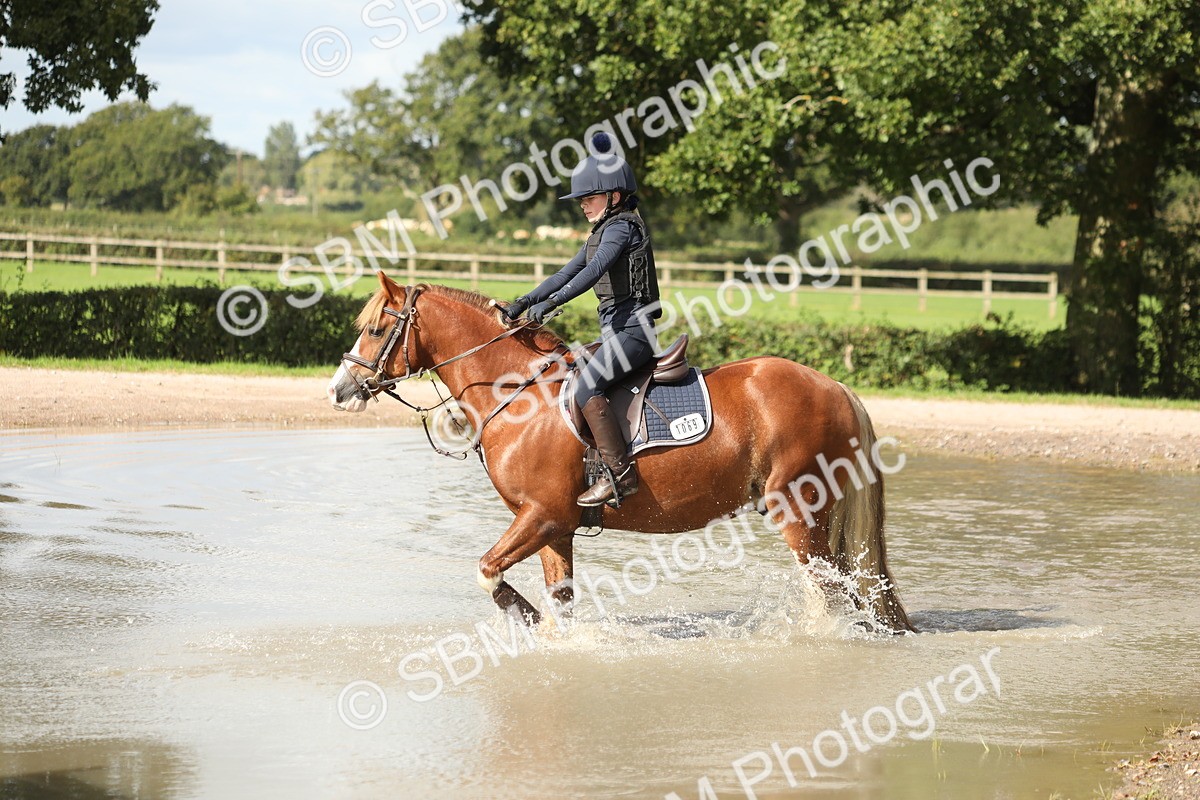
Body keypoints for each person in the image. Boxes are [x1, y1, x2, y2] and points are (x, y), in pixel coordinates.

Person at [503, 132, 661, 507]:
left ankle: (620, 475)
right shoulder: (602, 231)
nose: (582, 206)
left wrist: (555, 303)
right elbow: (565, 272)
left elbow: (594, 272)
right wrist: (524, 302)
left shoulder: (622, 228)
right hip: (615, 332)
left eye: (588, 198)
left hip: (634, 333)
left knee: (585, 388)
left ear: (614, 197)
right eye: (581, 200)